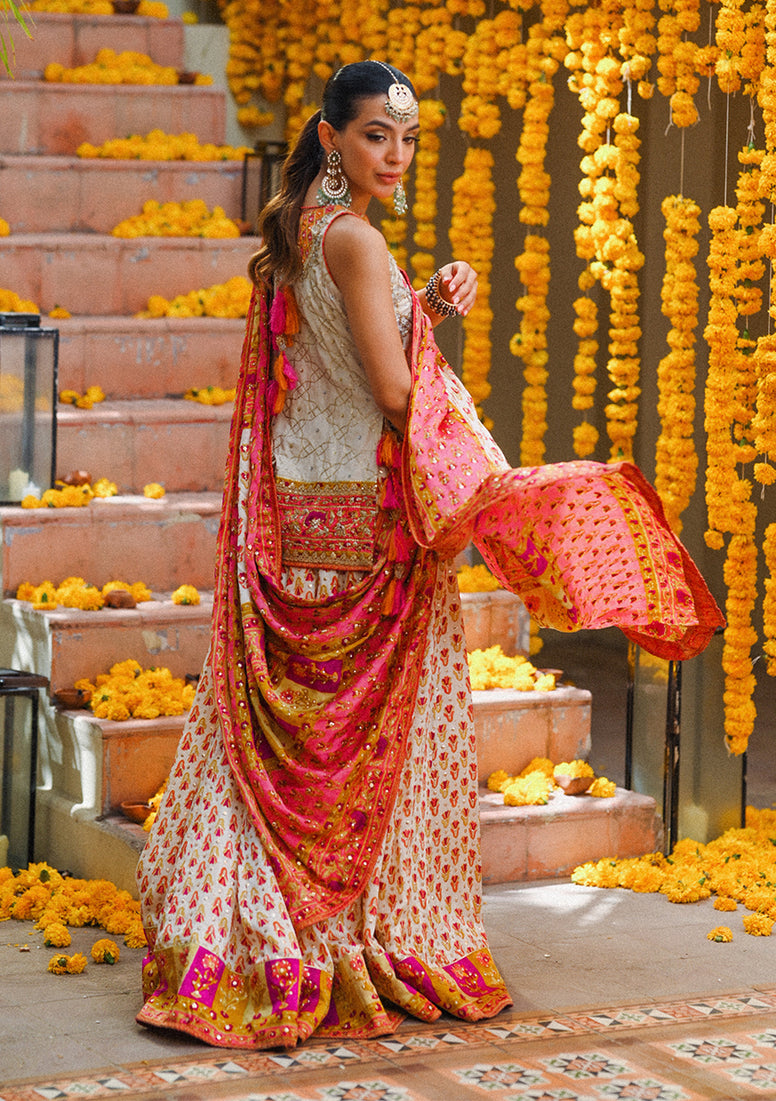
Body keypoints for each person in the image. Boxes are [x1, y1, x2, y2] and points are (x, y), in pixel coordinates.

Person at [136, 60, 723, 1050]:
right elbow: (394, 392)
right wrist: (477, 463)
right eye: (376, 135)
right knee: (366, 751)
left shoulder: (295, 233)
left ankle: (234, 937)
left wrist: (424, 307)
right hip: (369, 518)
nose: (396, 154)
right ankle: (345, 947)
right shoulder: (357, 239)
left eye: (407, 138)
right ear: (331, 138)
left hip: (297, 514)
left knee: (292, 747)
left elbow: (336, 355)